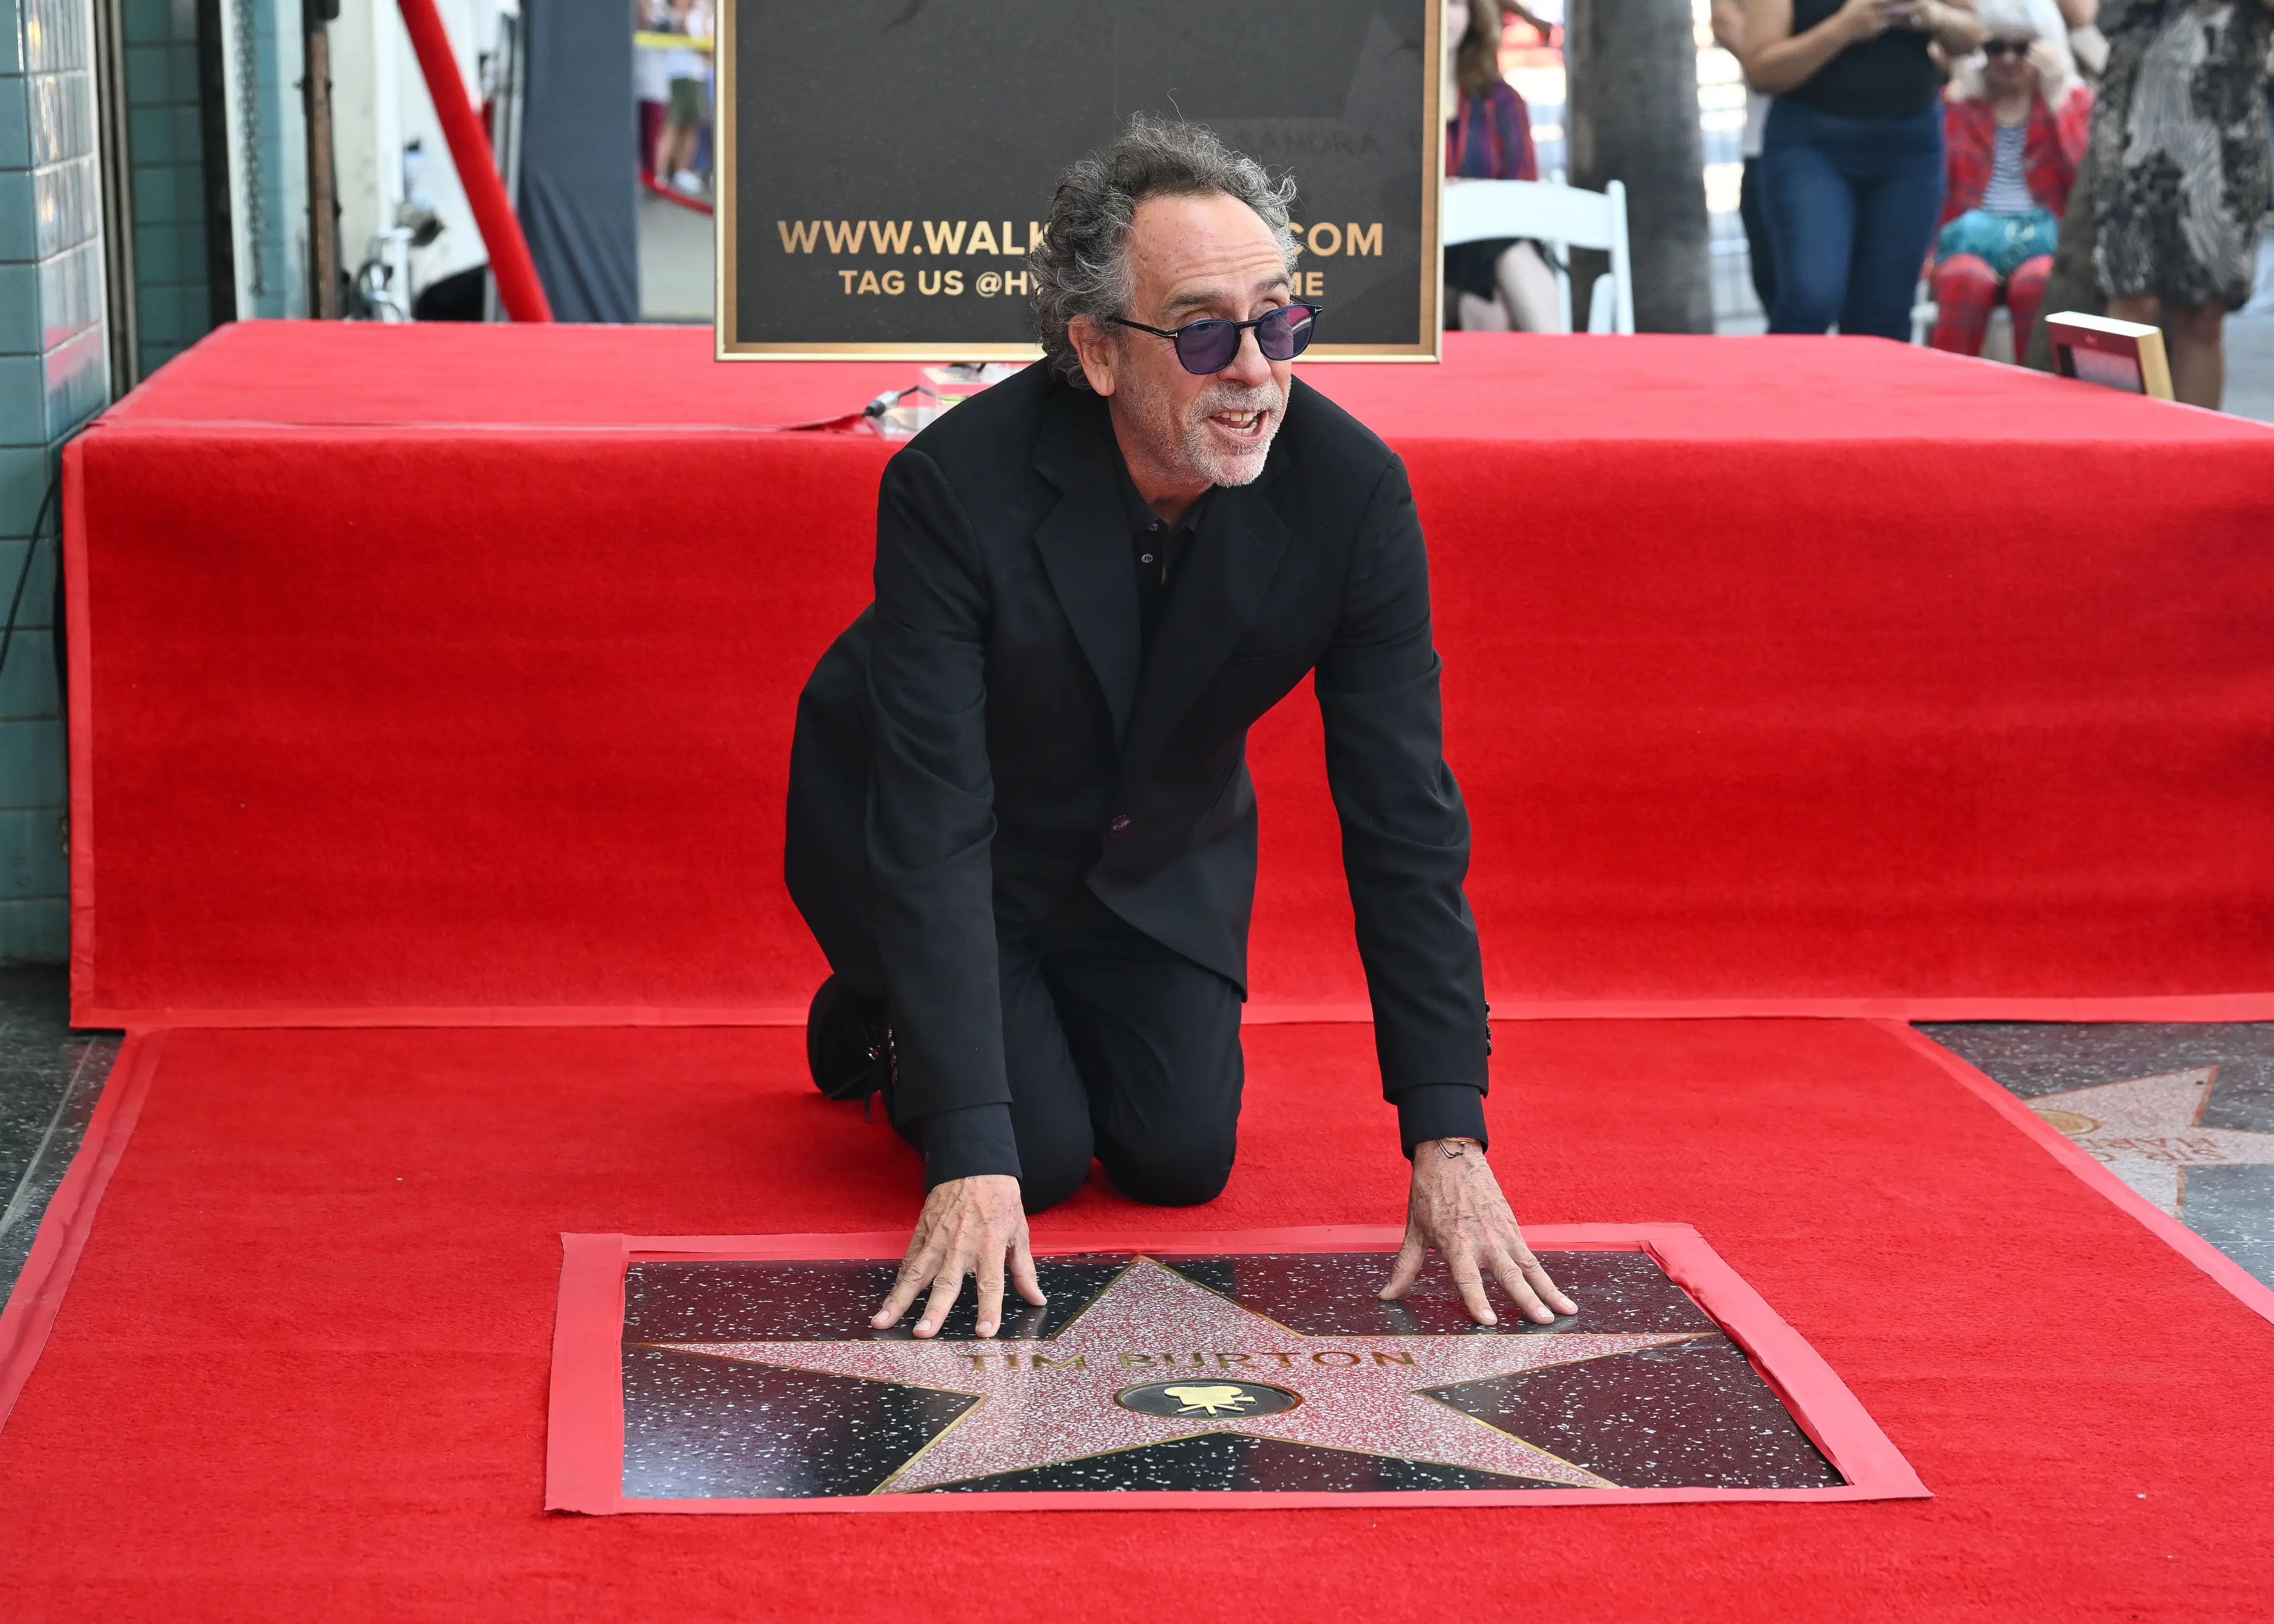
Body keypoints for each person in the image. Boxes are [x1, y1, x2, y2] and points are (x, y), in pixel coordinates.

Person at [785, 115, 1578, 1342]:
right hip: (940, 836)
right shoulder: (951, 489)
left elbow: (1403, 815)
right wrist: (970, 1151)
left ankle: (1017, 1028)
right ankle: (876, 1013)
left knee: (1177, 1158)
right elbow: (935, 819)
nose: (1256, 370)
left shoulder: (1353, 495)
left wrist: (1448, 1127)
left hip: (1155, 851)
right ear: (1097, 352)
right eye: (1207, 332)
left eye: (1280, 322)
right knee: (1035, 1158)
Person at [1744, 0, 1989, 337]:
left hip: (1909, 147)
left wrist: (1935, 16)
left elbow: (1973, 33)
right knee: (1812, 297)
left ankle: (1868, 391)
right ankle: (1784, 386)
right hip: (1812, 145)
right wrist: (1844, 27)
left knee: (1885, 312)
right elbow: (1762, 70)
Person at [2090, 0, 2274, 408]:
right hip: (2136, 115)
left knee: (2204, 311)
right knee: (2131, 295)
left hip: (2226, 118)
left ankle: (2193, 460)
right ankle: (2111, 453)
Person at [1928, 0, 2091, 356]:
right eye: (1995, 47)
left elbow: (2085, 184)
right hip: (1969, 240)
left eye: (2023, 48)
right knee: (1964, 279)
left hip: (2045, 242)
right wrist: (1957, 102)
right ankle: (1945, 393)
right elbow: (1935, 182)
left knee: (2040, 282)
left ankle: (2036, 391)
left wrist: (2059, 102)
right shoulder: (1960, 104)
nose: (2008, 59)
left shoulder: (2072, 104)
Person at [1441, 0, 1564, 332]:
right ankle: (1562, 363)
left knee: (1487, 302)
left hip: (1496, 241)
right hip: (1428, 262)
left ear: (1472, 14)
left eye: (1453, 3)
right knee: (1496, 279)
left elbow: (1522, 197)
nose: (1441, 15)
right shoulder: (1389, 101)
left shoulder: (1502, 99)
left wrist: (1469, 191)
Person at [1713, 0, 1780, 314]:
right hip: (1766, 149)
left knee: (1875, 306)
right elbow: (1725, 22)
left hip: (1878, 134)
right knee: (1793, 299)